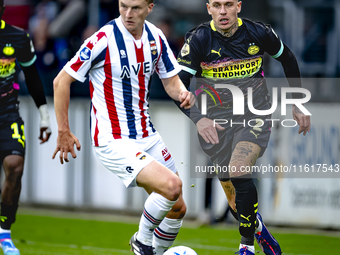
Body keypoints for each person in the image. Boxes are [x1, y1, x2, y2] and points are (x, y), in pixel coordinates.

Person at [52, 0, 194, 254]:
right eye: (123, 6)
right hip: (112, 139)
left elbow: (172, 83)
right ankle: (141, 241)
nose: (128, 14)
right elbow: (61, 81)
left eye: (136, 8)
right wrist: (63, 131)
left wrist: (184, 94)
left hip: (146, 135)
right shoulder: (103, 40)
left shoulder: (155, 37)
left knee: (177, 207)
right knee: (171, 185)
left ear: (150, 8)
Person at [176, 0, 311, 254]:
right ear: (208, 8)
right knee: (236, 203)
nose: (223, 11)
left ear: (239, 6)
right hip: (216, 124)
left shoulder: (258, 32)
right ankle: (259, 230)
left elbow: (288, 59)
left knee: (239, 170)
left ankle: (246, 247)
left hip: (254, 115)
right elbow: (177, 86)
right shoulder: (199, 40)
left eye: (228, 4)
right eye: (217, 5)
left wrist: (297, 102)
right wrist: (199, 119)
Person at [0, 1, 52, 255]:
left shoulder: (18, 37)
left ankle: (4, 233)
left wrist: (44, 115)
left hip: (7, 114)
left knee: (14, 165)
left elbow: (31, 76)